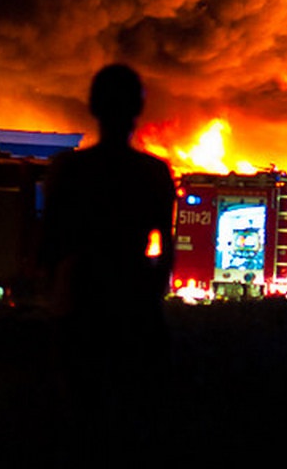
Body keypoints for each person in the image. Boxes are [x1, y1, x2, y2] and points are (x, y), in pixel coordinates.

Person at [40, 63, 177, 463]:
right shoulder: (152, 172)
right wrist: (151, 295)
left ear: (93, 106)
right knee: (134, 418)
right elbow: (166, 248)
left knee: (82, 416)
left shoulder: (69, 170)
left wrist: (58, 298)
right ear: (137, 110)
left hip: (81, 304)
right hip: (135, 306)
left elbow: (51, 242)